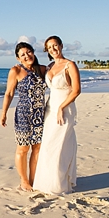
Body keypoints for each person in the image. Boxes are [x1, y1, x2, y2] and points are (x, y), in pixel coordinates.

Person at [33, 36, 81, 195]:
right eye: (49, 47)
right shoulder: (49, 66)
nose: (53, 49)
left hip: (64, 110)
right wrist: (18, 66)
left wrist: (62, 107)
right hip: (50, 109)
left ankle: (60, 185)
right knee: (48, 146)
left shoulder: (70, 65)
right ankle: (46, 183)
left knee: (60, 147)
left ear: (61, 45)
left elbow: (76, 90)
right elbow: (31, 69)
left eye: (55, 45)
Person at [0, 42, 48, 191]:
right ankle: (24, 180)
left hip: (40, 114)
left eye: (29, 52)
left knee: (37, 148)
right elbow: (9, 93)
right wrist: (3, 114)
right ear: (18, 58)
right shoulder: (15, 71)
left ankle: (33, 179)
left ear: (33, 52)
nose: (27, 56)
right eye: (23, 55)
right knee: (23, 148)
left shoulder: (43, 69)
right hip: (23, 114)